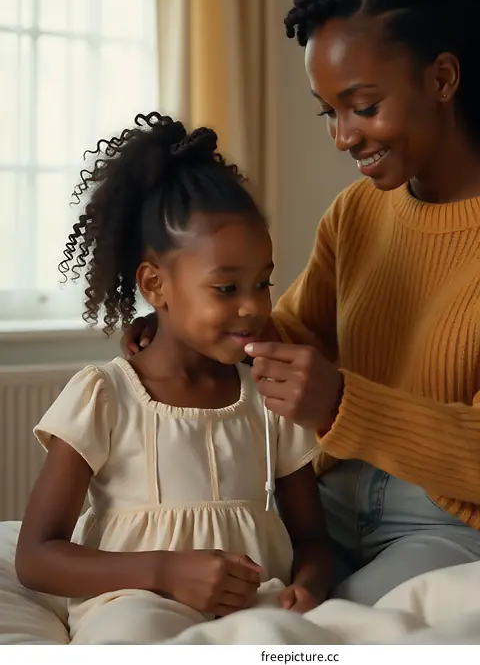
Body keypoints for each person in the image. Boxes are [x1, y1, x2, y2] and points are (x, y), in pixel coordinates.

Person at [124, 0, 480, 607]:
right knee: (204, 607)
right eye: (330, 111)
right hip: (329, 505)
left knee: (332, 631)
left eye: (364, 106)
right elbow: (285, 335)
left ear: (442, 79)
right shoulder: (357, 213)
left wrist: (342, 403)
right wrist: (187, 328)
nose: (343, 136)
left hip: (463, 522)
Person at [15, 113, 330, 644]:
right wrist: (164, 572)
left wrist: (309, 587)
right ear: (155, 285)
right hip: (135, 603)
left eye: (263, 283)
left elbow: (313, 540)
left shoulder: (270, 398)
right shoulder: (105, 396)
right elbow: (36, 556)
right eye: (226, 288)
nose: (254, 307)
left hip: (253, 606)